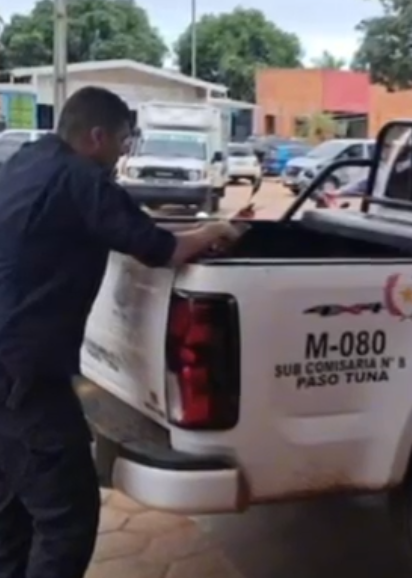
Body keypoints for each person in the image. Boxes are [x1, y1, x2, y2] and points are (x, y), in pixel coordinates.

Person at [0, 86, 244, 578]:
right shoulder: (83, 180)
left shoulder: (28, 161)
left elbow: (122, 228)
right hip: (24, 376)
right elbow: (159, 248)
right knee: (66, 516)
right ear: (96, 136)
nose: (122, 153)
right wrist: (214, 232)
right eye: (122, 141)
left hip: (8, 366)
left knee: (13, 504)